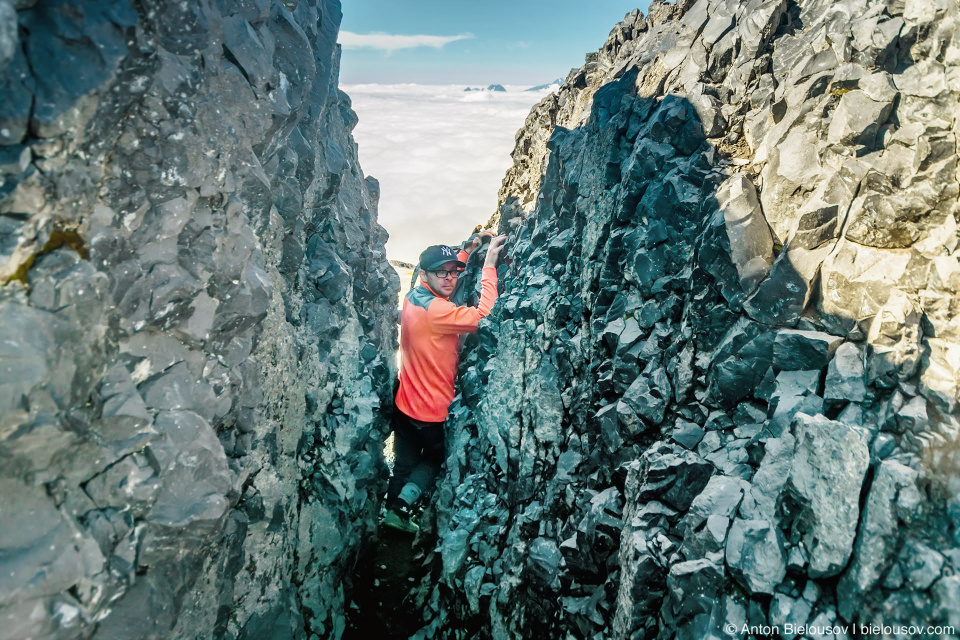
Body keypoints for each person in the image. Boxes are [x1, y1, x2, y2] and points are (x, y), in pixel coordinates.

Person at [383, 233, 508, 533]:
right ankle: (404, 505)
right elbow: (484, 315)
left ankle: (391, 515)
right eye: (442, 272)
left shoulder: (414, 297)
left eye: (453, 271)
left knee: (403, 462)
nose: (450, 278)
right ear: (425, 274)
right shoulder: (439, 312)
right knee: (435, 460)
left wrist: (465, 253)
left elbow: (443, 289)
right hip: (432, 415)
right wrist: (489, 265)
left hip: (405, 406)